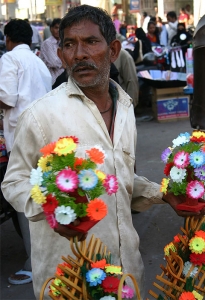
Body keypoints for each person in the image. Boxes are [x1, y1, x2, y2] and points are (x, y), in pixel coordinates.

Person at [2, 6, 204, 300]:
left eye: (90, 42)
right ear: (61, 57)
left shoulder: (124, 107)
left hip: (126, 271)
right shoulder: (40, 115)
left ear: (113, 50)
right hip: (70, 278)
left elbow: (119, 175)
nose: (79, 54)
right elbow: (13, 182)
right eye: (69, 45)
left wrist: (164, 195)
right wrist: (55, 209)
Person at [0, 19, 52, 285]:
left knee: (24, 202)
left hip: (22, 140)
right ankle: (46, 260)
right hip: (44, 138)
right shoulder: (39, 62)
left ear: (8, 38)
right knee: (42, 198)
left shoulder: (10, 59)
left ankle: (34, 265)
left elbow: (6, 98)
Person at [40, 18, 64, 85]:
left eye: (60, 28)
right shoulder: (47, 43)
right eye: (56, 28)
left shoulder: (62, 42)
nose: (58, 30)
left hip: (61, 78)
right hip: (52, 79)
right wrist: (66, 63)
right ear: (51, 29)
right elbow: (54, 62)